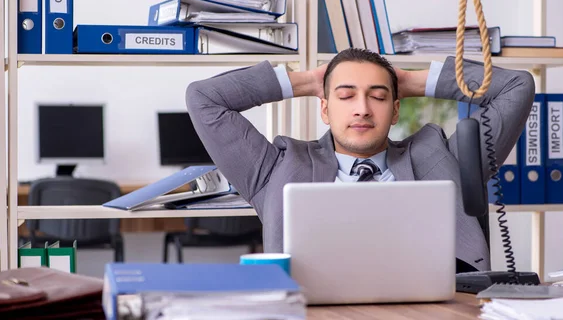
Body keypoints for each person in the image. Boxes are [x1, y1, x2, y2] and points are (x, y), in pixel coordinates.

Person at [186, 49, 535, 272]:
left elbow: (516, 86)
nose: (363, 108)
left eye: (379, 96)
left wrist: (411, 80)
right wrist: (308, 81)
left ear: (395, 109)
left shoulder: (442, 157)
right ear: (324, 108)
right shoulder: (276, 167)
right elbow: (204, 98)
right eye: (346, 95)